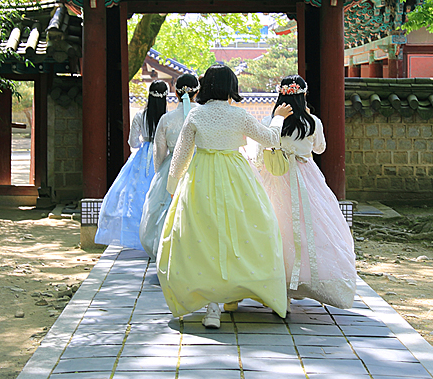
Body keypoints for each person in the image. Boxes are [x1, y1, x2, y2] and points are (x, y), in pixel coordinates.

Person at [156, 63, 292, 328]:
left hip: (201, 176)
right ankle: (237, 292)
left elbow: (181, 156)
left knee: (203, 237)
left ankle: (213, 306)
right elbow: (272, 139)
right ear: (232, 87)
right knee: (242, 232)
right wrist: (278, 117)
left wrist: (173, 189)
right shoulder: (239, 116)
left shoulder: (195, 116)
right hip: (236, 177)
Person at [256, 75, 356, 309]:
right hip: (305, 176)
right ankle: (304, 281)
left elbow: (263, 148)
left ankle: (278, 286)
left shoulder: (269, 120)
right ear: (303, 96)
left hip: (276, 175)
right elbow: (320, 148)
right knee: (310, 225)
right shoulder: (313, 122)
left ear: (281, 96)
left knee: (277, 225)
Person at [95, 79, 168, 250]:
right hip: (164, 155)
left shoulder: (140, 116)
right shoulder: (167, 117)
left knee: (135, 197)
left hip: (143, 158)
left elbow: (133, 142)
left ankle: (135, 236)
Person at [139, 73, 201, 259]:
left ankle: (166, 251)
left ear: (175, 93)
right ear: (197, 93)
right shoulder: (203, 115)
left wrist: (160, 172)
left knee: (167, 209)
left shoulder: (166, 119)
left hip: (172, 166)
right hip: (200, 165)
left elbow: (159, 152)